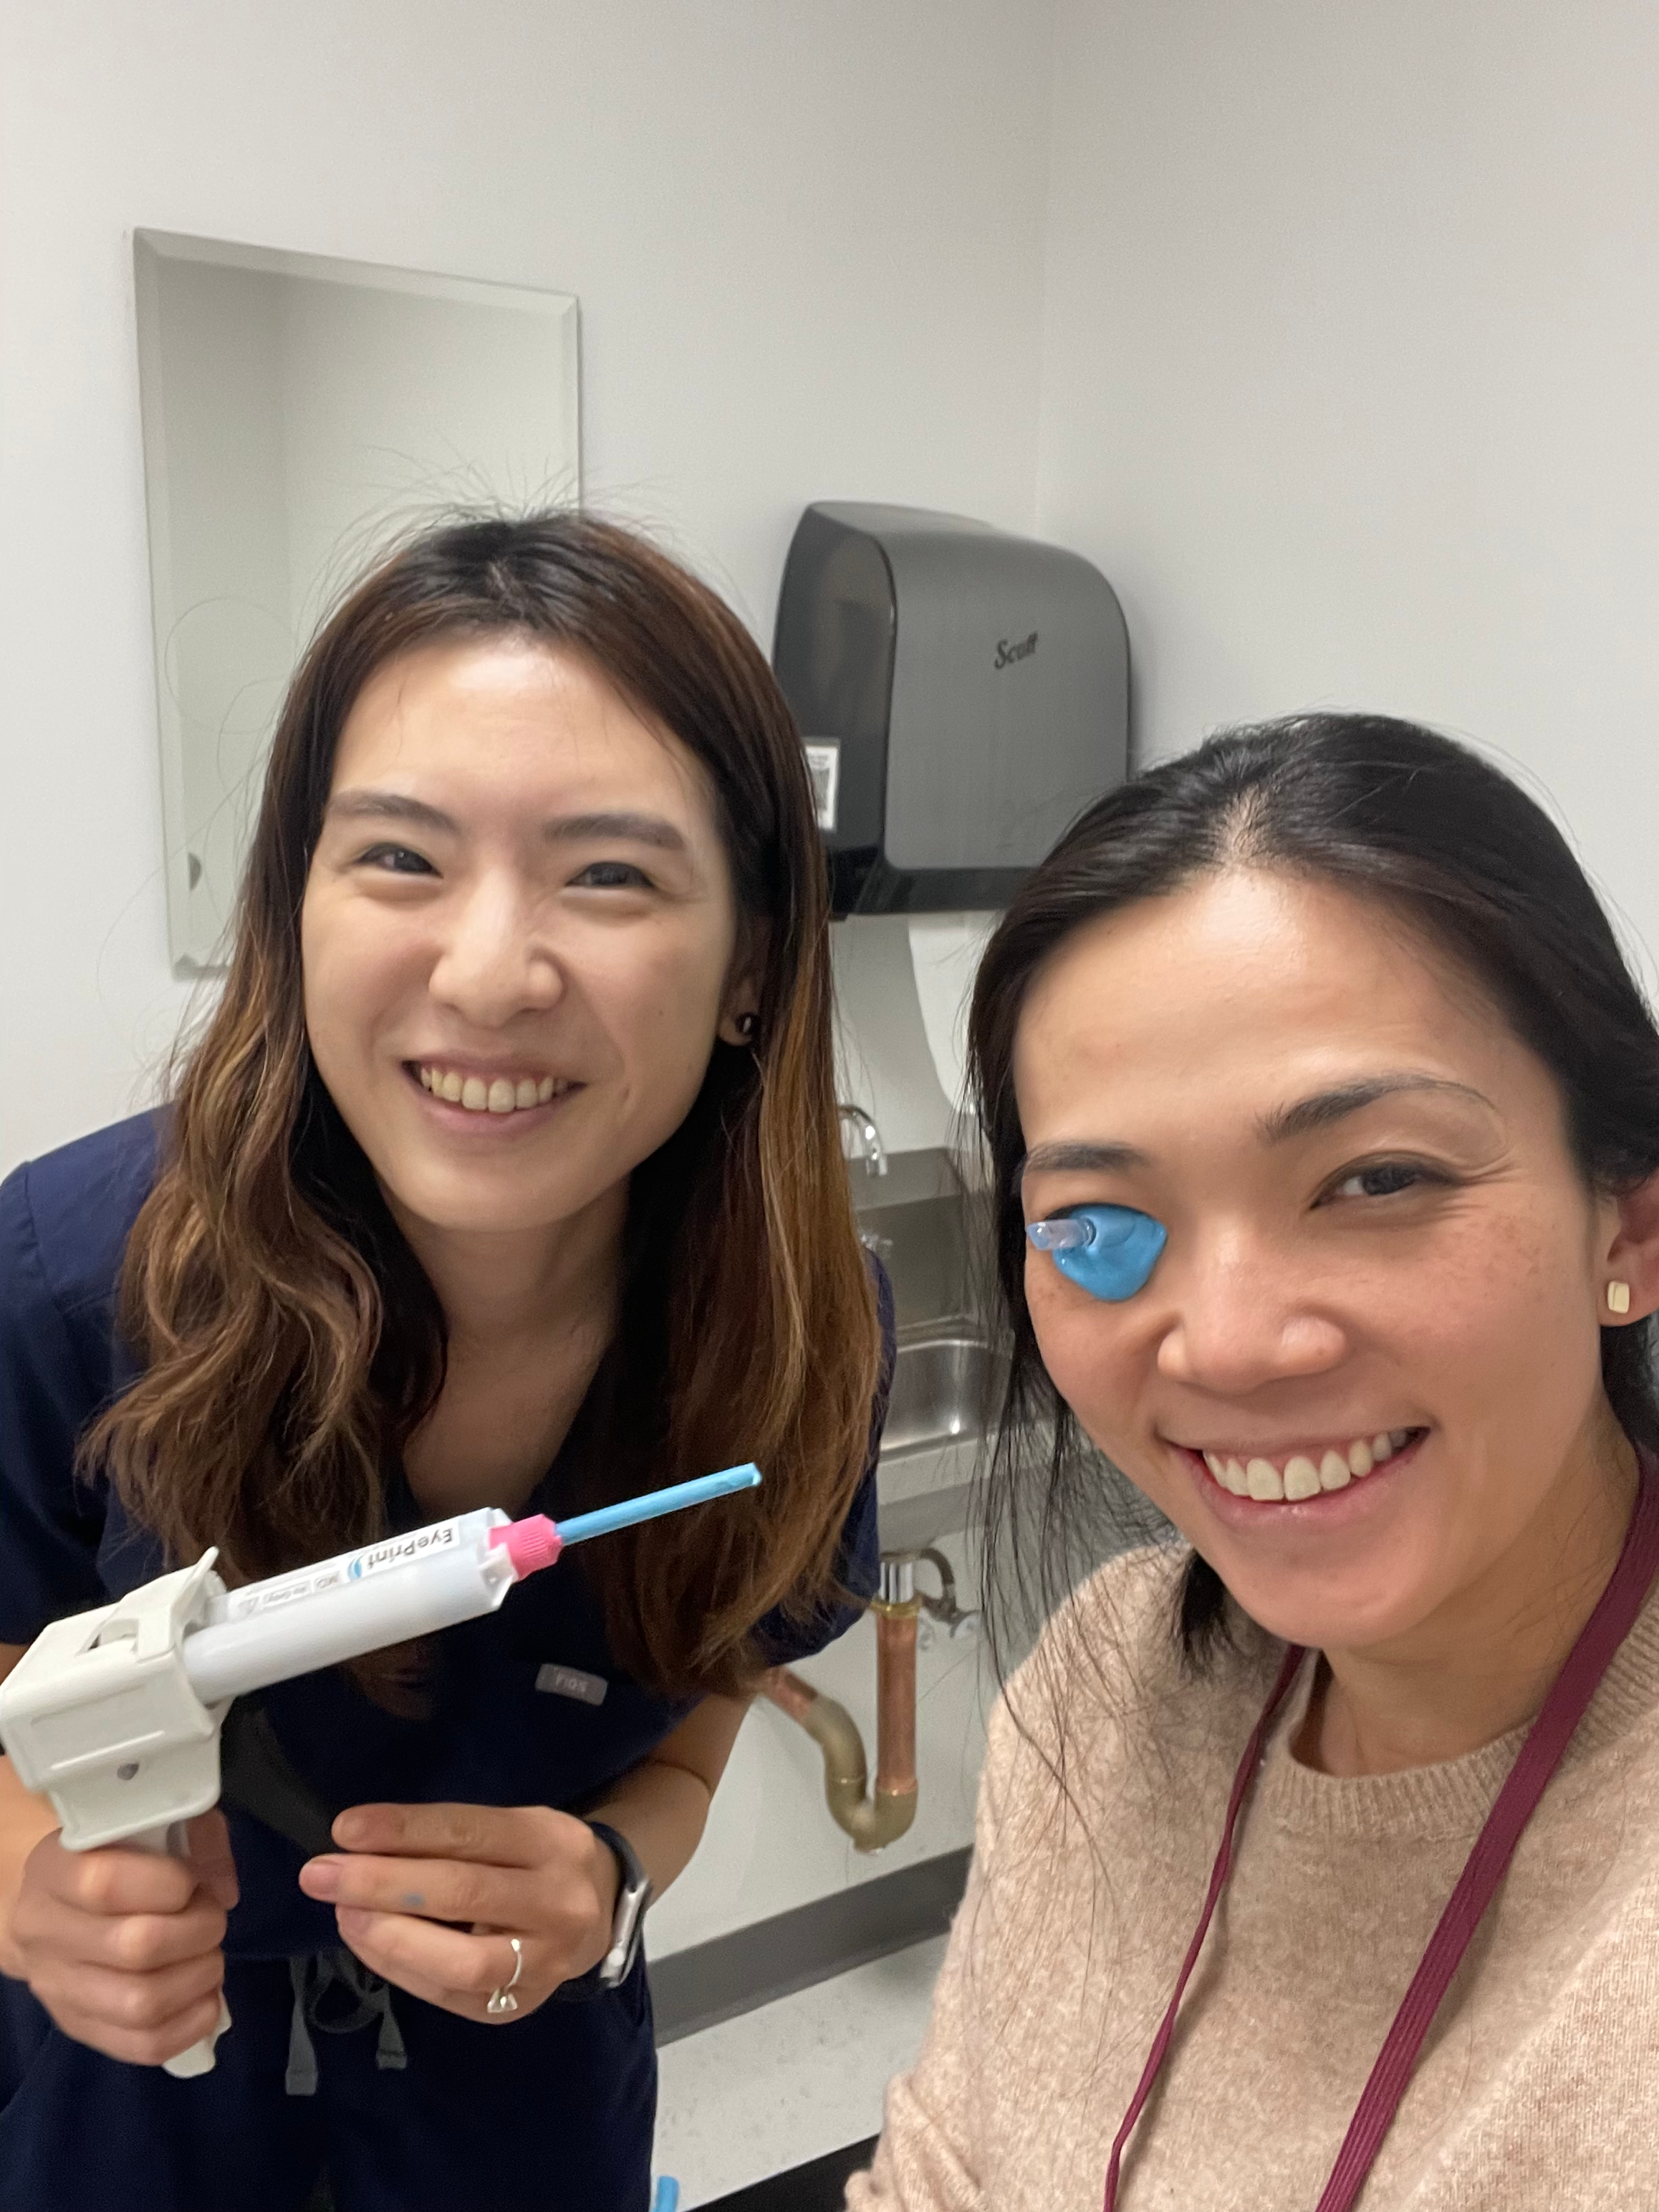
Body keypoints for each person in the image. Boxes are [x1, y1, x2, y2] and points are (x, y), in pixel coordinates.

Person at [0, 512, 892, 2212]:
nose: (488, 972)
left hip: (522, 2118)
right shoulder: (67, 1278)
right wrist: (32, 1887)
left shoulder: (799, 1343)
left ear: (754, 965)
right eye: (401, 858)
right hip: (125, 2121)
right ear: (295, 906)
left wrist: (614, 1868)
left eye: (611, 872)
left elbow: (694, 1727)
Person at [850, 714, 1659, 2211]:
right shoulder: (1106, 1685)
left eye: (1376, 1179)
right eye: (1099, 1216)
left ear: (1629, 1224)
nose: (1222, 1344)